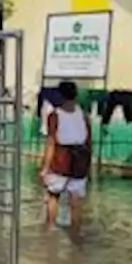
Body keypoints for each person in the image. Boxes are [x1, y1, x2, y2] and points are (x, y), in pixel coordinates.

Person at [39, 80, 91, 231]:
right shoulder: (84, 115)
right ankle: (75, 233)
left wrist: (45, 168)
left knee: (53, 195)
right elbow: (89, 141)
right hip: (81, 159)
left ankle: (50, 229)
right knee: (76, 200)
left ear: (60, 95)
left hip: (61, 158)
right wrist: (88, 165)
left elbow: (51, 143)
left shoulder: (55, 115)